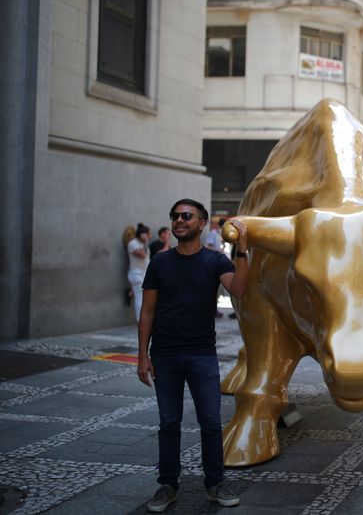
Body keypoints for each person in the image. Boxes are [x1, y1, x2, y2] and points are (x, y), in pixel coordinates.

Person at [137, 199, 250, 512]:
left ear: (202, 223)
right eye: (175, 216)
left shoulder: (214, 262)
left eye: (187, 216)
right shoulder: (160, 262)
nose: (179, 221)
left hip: (202, 354)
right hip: (165, 355)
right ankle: (167, 485)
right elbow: (147, 311)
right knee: (169, 422)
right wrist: (142, 356)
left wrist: (242, 248)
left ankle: (215, 483)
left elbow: (239, 289)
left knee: (211, 422)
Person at [128, 223, 151, 322]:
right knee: (139, 297)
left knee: (144, 297)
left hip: (144, 274)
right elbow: (143, 255)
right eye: (147, 234)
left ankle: (143, 319)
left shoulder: (142, 244)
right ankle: (139, 320)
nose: (148, 236)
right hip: (137, 274)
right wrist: (146, 242)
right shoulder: (133, 243)